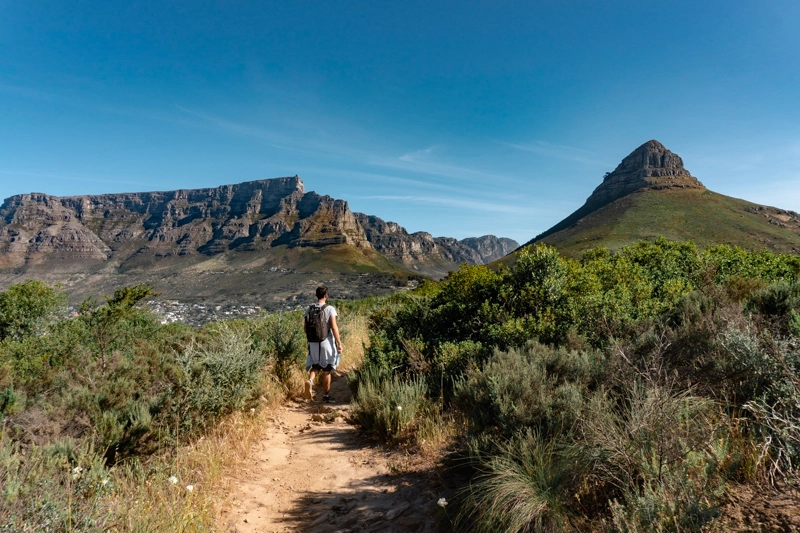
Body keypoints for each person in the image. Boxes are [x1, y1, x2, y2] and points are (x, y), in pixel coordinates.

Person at [303, 285, 343, 403]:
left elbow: (305, 329)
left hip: (313, 343)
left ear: (316, 295)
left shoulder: (309, 309)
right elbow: (334, 327)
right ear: (326, 295)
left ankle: (310, 381)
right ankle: (326, 396)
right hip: (326, 342)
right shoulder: (330, 308)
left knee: (315, 366)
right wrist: (339, 343)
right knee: (326, 369)